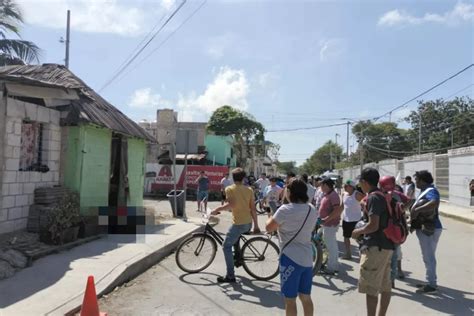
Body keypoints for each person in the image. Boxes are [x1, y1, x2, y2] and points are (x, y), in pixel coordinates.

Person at [265, 178, 318, 316]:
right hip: (307, 259)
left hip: (290, 259)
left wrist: (270, 215)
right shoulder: (311, 209)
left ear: (289, 192)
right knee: (306, 297)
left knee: (290, 300)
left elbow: (269, 228)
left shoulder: (284, 210)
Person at [352, 168, 394, 316]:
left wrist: (357, 232)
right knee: (384, 286)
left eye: (360, 182)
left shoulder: (373, 198)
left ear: (364, 182)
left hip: (376, 247)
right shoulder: (382, 195)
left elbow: (373, 225)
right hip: (386, 246)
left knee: (371, 288)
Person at [211, 168, 261, 283]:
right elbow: (253, 209)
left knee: (226, 246)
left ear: (233, 178)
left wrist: (217, 209)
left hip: (239, 223)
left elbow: (231, 204)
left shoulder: (230, 189)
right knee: (235, 238)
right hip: (248, 223)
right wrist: (256, 226)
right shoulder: (249, 190)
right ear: (243, 178)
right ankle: (238, 258)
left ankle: (230, 276)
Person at [410, 170, 443, 294]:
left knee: (429, 257)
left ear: (423, 180)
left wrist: (417, 209)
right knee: (427, 256)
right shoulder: (425, 191)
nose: (416, 182)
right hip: (425, 228)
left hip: (430, 229)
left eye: (417, 180)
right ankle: (429, 281)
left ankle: (432, 285)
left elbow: (434, 203)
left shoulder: (431, 191)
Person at [379, 175, 409, 287]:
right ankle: (391, 280)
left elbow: (363, 202)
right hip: (396, 229)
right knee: (394, 255)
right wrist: (402, 210)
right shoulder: (398, 194)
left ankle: (386, 280)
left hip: (383, 229)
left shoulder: (379, 194)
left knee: (384, 256)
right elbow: (411, 201)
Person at [319, 177, 342, 275]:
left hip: (330, 224)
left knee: (330, 246)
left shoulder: (333, 195)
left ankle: (332, 267)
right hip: (326, 224)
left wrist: (327, 219)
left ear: (326, 185)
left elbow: (337, 211)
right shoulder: (327, 194)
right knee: (331, 245)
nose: (320, 187)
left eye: (322, 185)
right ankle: (333, 265)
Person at [341, 179, 364, 260]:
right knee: (346, 238)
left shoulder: (357, 194)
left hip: (356, 221)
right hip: (346, 220)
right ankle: (348, 254)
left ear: (352, 187)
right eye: (345, 186)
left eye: (347, 186)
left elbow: (365, 204)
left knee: (359, 239)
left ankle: (362, 255)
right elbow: (342, 206)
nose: (345, 187)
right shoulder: (344, 194)